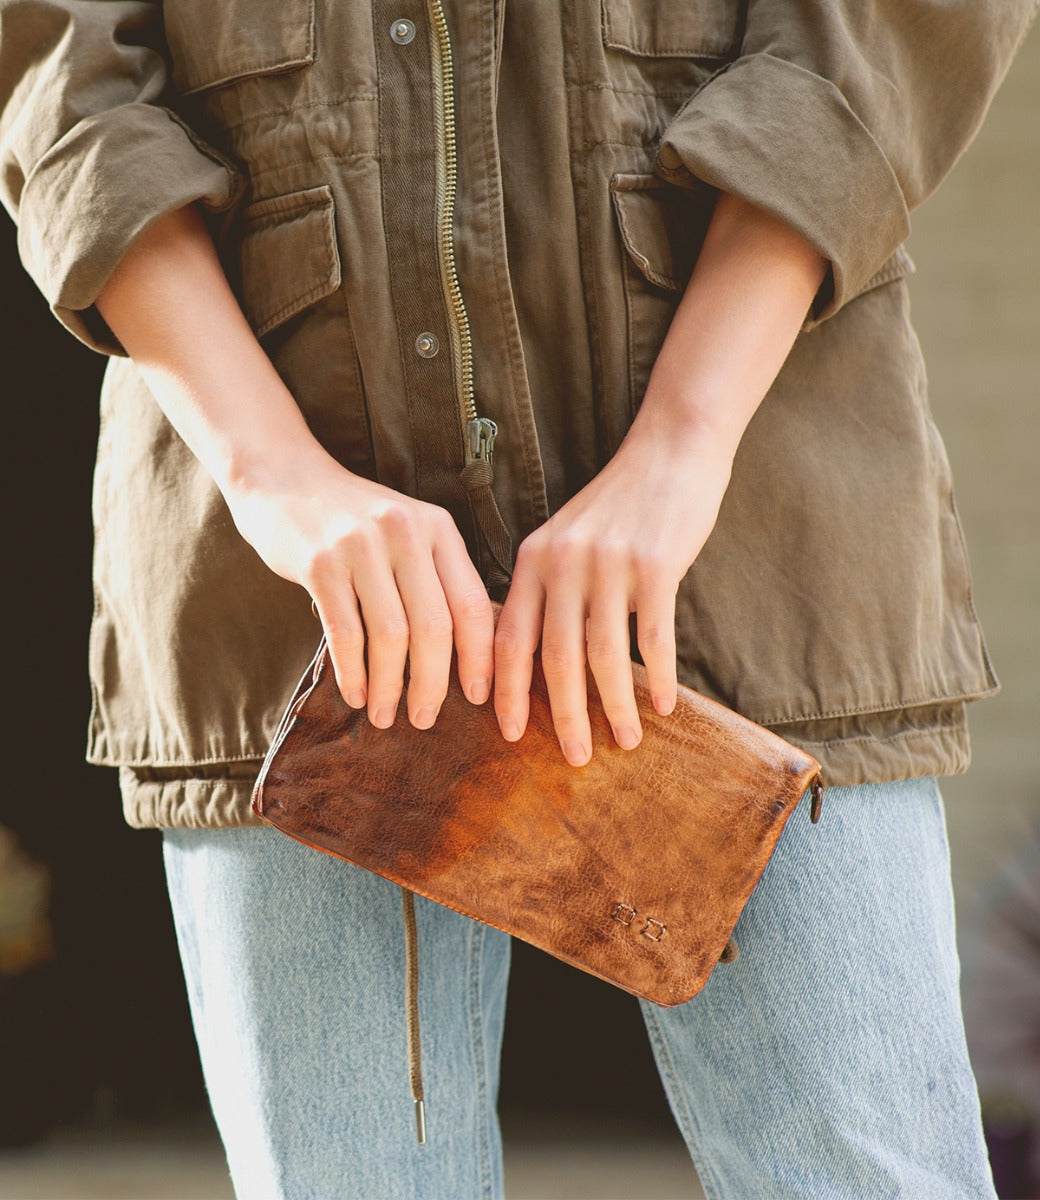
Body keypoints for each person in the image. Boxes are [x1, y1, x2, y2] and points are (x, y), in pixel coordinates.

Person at [1, 1, 1033, 1196]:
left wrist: (682, 441)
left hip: (760, 546)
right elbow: (62, 75)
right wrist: (269, 470)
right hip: (300, 594)